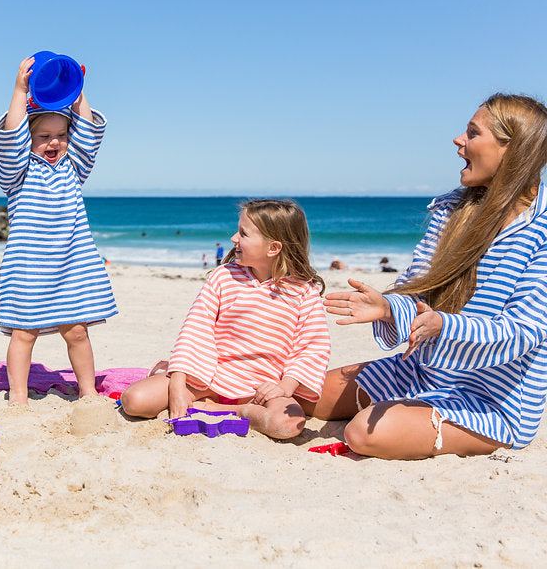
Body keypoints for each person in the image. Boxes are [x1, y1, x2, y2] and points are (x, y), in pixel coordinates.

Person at [309, 94, 547, 459]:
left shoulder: (540, 230)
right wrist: (388, 307)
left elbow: (524, 332)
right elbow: (418, 286)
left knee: (365, 433)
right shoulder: (452, 209)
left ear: (512, 151)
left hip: (491, 400)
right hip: (422, 372)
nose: (458, 140)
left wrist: (444, 327)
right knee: (302, 392)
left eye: (472, 132)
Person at [121, 200, 330, 439]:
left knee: (287, 424)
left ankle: (227, 410)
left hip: (260, 390)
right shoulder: (224, 277)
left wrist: (283, 387)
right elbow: (195, 330)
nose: (233, 238)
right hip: (208, 378)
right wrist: (178, 386)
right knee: (134, 401)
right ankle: (210, 402)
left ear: (273, 248)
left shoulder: (304, 292)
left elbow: (313, 347)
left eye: (243, 233)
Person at [0, 56, 117, 404]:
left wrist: (79, 94)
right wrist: (19, 91)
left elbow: (90, 135)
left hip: (72, 263)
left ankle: (87, 392)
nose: (53, 143)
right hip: (29, 266)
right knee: (25, 333)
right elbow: (9, 138)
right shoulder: (18, 174)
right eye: (43, 136)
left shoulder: (74, 169)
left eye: (60, 136)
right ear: (29, 137)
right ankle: (19, 396)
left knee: (78, 331)